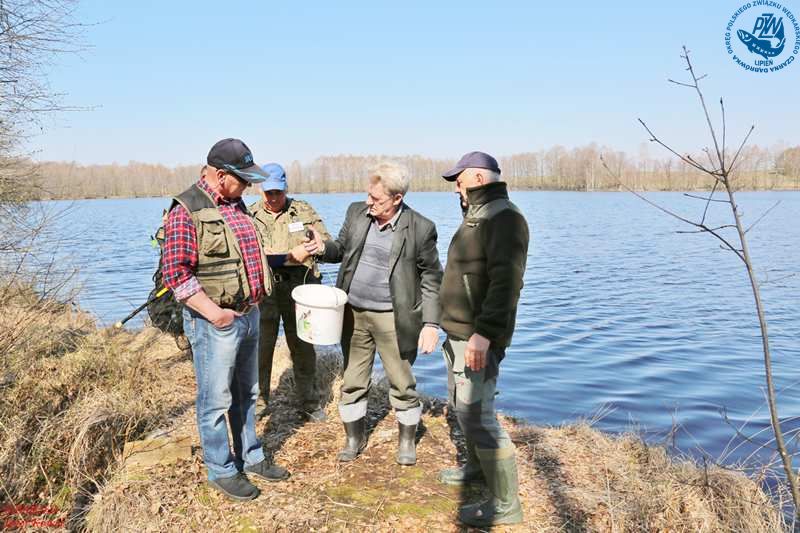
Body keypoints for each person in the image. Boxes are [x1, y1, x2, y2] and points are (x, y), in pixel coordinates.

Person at [162, 138, 316, 501]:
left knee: (247, 393)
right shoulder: (187, 209)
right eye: (243, 179)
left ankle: (251, 456)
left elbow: (250, 258)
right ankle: (221, 469)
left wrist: (285, 260)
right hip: (215, 323)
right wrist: (215, 315)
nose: (249, 186)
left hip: (250, 314)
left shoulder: (236, 205)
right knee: (215, 399)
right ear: (220, 175)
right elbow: (176, 274)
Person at [311, 162, 442, 465]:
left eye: (376, 198)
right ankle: (353, 439)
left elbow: (432, 277)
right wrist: (322, 248)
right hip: (354, 314)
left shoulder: (421, 228)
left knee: (402, 383)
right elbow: (341, 249)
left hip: (393, 318)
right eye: (368, 194)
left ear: (397, 198)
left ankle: (407, 442)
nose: (368, 201)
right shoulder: (357, 212)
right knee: (353, 380)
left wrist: (431, 323)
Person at [437, 151, 529, 527]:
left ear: (477, 179)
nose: (455, 188)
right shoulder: (478, 214)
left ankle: (507, 506)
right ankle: (477, 468)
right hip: (458, 332)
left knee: (478, 415)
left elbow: (506, 283)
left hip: (477, 337)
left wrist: (484, 334)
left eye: (458, 181)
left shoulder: (503, 217)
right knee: (462, 408)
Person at [250, 163, 331, 421]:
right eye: (269, 193)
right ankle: (258, 402)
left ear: (286, 189)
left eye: (278, 192)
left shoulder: (303, 211)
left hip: (300, 290)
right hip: (265, 292)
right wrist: (288, 257)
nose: (274, 198)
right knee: (261, 347)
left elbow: (326, 243)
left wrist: (314, 246)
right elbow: (249, 256)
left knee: (303, 346)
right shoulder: (250, 215)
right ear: (260, 189)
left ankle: (309, 402)